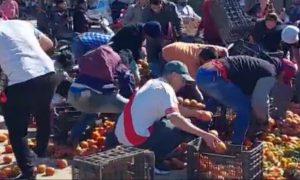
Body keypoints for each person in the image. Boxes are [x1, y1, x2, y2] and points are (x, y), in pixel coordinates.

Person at [114, 60, 221, 174]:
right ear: (173, 75)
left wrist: (197, 114)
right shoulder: (166, 89)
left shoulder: (153, 83)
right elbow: (175, 118)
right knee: (178, 128)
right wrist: (204, 135)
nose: (184, 84)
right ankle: (155, 162)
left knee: (172, 123)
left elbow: (175, 109)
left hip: (122, 135)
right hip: (134, 137)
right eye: (183, 80)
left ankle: (145, 155)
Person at [0, 20, 56, 179]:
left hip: (21, 79)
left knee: (17, 131)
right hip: (48, 72)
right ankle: (41, 152)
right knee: (43, 112)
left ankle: (28, 172)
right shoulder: (22, 23)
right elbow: (48, 43)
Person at [196, 56, 297, 145]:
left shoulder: (260, 66)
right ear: (283, 73)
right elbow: (259, 101)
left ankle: (200, 137)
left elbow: (251, 94)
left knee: (214, 103)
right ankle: (236, 147)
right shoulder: (270, 73)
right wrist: (265, 120)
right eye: (284, 79)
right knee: (244, 109)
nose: (281, 82)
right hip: (215, 76)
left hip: (203, 72)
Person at [67, 46, 136, 145]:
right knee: (128, 108)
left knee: (91, 112)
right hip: (91, 97)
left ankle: (73, 137)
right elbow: (127, 88)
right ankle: (113, 140)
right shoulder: (120, 65)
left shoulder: (96, 62)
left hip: (73, 95)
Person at [162, 42, 228, 78]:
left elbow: (225, 50)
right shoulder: (191, 65)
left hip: (177, 46)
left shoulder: (209, 49)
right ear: (201, 60)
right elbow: (196, 83)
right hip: (166, 54)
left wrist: (226, 63)